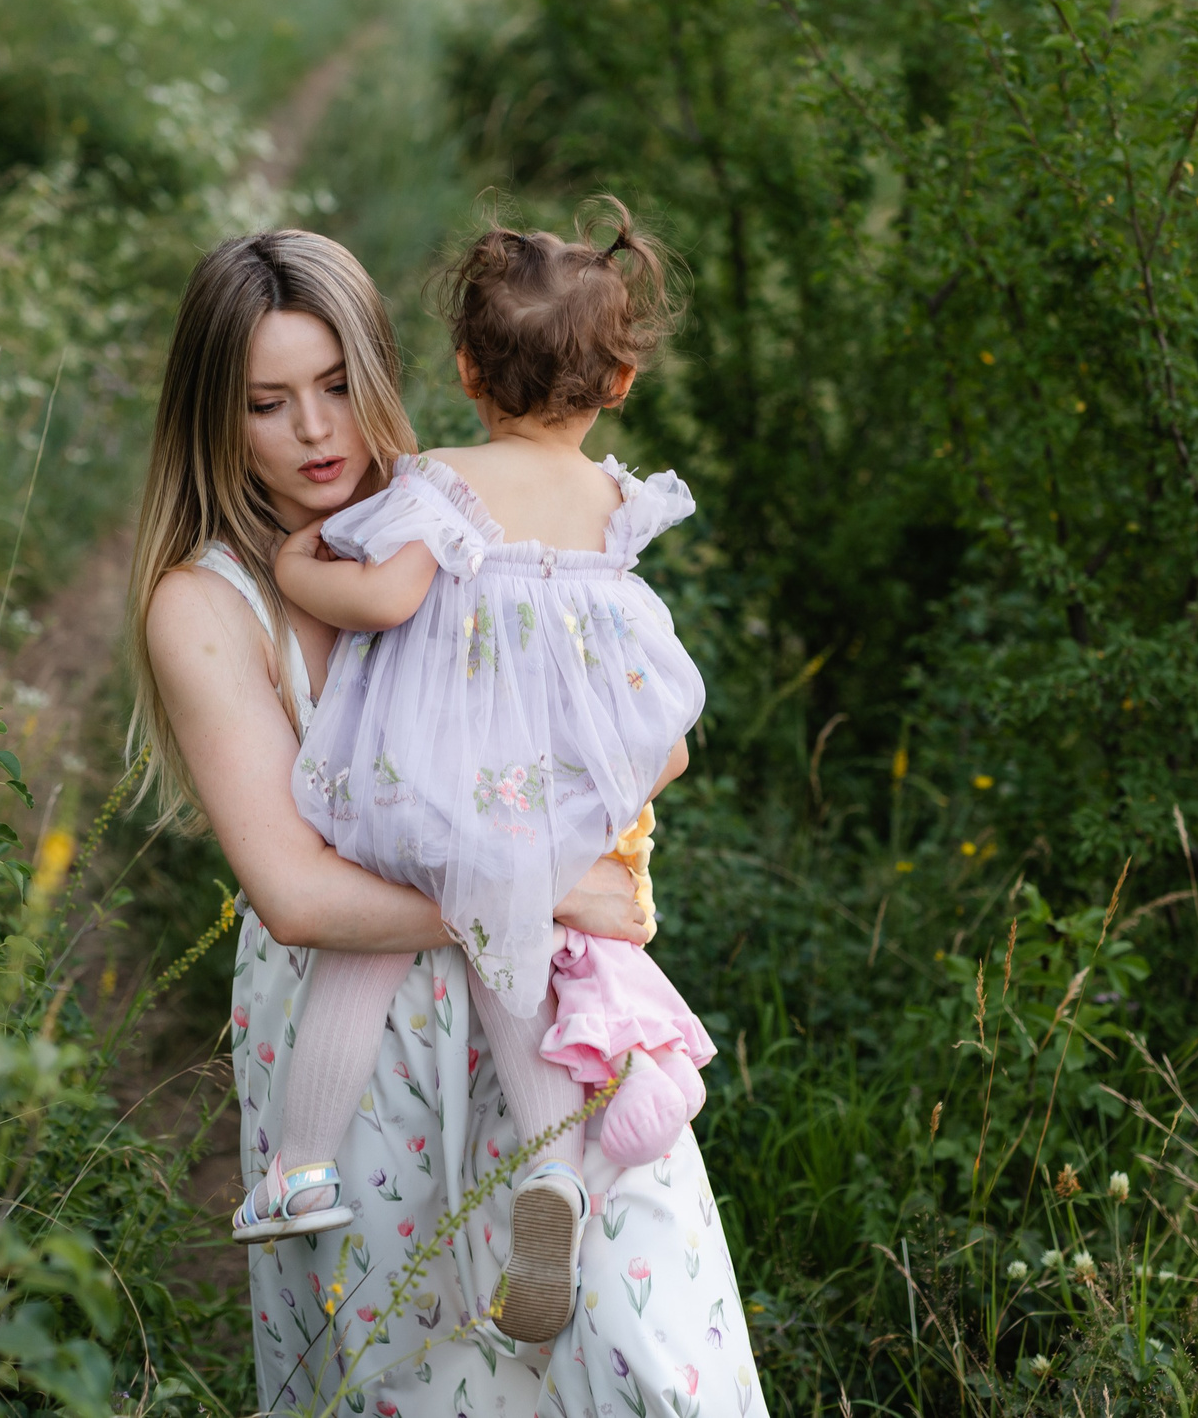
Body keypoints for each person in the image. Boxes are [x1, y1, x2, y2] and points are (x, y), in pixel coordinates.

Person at [132, 227, 769, 1418]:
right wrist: (541, 886)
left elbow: (634, 719)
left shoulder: (457, 517)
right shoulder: (206, 602)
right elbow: (299, 895)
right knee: (416, 1372)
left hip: (544, 994)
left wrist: (574, 853)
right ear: (216, 415)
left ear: (388, 373)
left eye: (335, 387)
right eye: (269, 403)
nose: (316, 431)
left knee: (645, 1349)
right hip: (368, 1030)